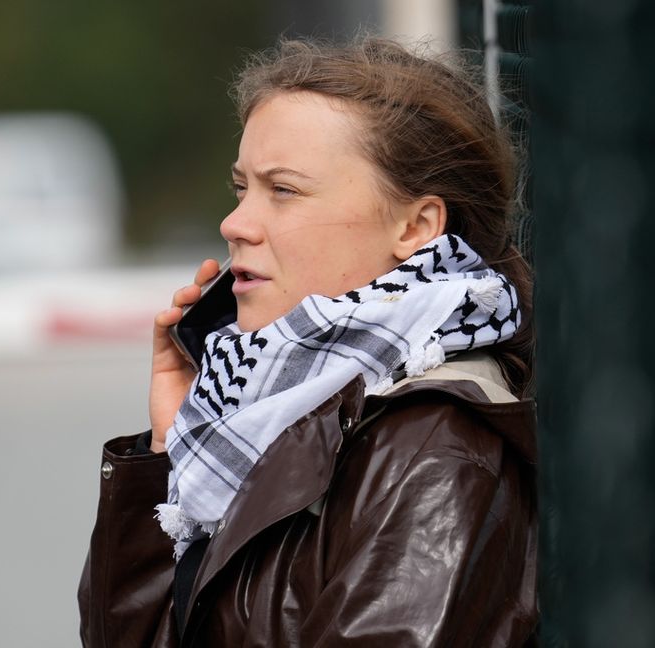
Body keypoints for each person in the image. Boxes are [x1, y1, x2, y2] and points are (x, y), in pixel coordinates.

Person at [79, 36, 537, 647]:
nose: (235, 223)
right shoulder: (261, 413)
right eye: (242, 188)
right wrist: (166, 449)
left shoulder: (433, 448)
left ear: (416, 227)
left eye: (284, 190)